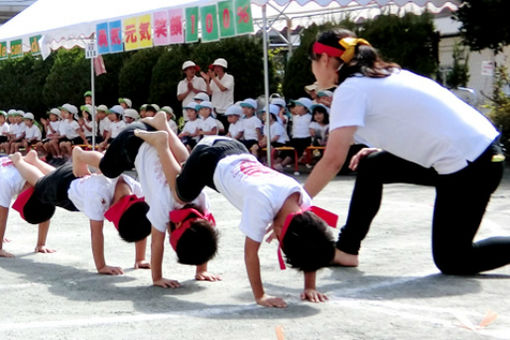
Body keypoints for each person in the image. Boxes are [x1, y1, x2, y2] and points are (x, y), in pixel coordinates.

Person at [304, 29, 510, 275]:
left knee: (454, 259)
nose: (312, 69)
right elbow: (417, 120)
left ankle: (347, 248)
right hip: (478, 156)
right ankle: (347, 249)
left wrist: (296, 203)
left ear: (324, 59)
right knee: (373, 165)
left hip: (472, 166)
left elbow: (332, 161)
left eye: (312, 61)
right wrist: (381, 149)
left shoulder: (352, 88)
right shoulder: (387, 75)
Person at [133, 131, 337, 308]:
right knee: (180, 193)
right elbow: (250, 255)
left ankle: (166, 131)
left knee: (186, 177)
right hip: (207, 158)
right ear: (282, 227)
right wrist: (261, 296)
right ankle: (162, 142)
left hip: (235, 149)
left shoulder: (300, 198)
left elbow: (313, 242)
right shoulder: (262, 203)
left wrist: (310, 287)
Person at [72, 112, 219, 287]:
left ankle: (162, 124)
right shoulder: (162, 205)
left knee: (185, 164)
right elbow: (157, 244)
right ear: (177, 226)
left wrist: (201, 270)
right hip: (134, 139)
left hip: (150, 135)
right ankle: (79, 154)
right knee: (108, 169)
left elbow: (203, 238)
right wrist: (157, 278)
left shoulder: (200, 200)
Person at [9, 151, 150, 274]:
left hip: (76, 174)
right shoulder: (98, 195)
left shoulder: (135, 189)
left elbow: (141, 223)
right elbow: (96, 233)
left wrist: (140, 258)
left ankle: (34, 160)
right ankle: (19, 160)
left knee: (52, 175)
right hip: (62, 191)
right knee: (39, 182)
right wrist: (101, 266)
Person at [0, 153, 54, 258]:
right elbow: (2, 216)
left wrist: (41, 244)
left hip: (12, 162)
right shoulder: (7, 182)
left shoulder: (41, 184)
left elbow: (45, 211)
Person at [201, 58, 234, 129]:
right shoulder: (214, 80)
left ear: (223, 67)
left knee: (226, 130)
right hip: (215, 111)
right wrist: (207, 80)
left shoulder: (229, 77)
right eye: (215, 67)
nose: (216, 69)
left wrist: (213, 78)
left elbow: (223, 88)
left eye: (218, 66)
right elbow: (209, 92)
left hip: (226, 110)